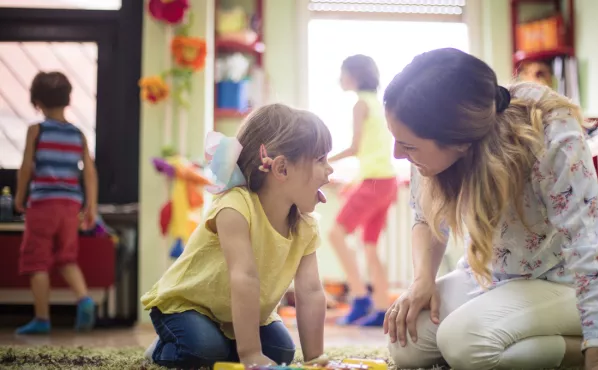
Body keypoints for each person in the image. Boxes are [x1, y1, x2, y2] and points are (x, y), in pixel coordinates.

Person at [382, 48, 598, 370]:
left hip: (562, 284)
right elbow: (426, 217)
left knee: (463, 345)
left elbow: (586, 239)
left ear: (460, 141)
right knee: (405, 343)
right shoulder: (427, 135)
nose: (398, 154)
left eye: (408, 145)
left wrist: (596, 348)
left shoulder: (546, 128)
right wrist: (422, 281)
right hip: (493, 277)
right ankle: (505, 340)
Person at [141, 104, 333, 369]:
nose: (330, 169)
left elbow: (311, 291)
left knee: (281, 352)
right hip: (188, 306)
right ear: (282, 169)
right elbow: (244, 277)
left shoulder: (305, 226)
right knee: (204, 351)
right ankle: (162, 348)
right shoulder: (235, 206)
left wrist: (315, 360)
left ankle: (227, 345)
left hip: (234, 315)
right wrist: (251, 353)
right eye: (321, 159)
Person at [14, 71, 98, 335]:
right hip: (71, 206)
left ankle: (42, 319)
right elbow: (90, 173)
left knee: (36, 260)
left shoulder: (36, 130)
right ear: (68, 99)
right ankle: (84, 298)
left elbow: (26, 167)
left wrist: (19, 197)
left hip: (43, 205)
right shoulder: (78, 134)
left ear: (36, 101)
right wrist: (91, 207)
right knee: (67, 257)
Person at [327, 54, 398, 327]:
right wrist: (354, 182)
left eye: (343, 73)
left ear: (354, 76)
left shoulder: (360, 105)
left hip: (375, 182)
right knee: (370, 247)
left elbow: (356, 148)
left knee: (335, 233)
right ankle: (382, 308)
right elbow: (373, 152)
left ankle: (359, 297)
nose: (340, 79)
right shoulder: (377, 104)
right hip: (386, 182)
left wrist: (322, 160)